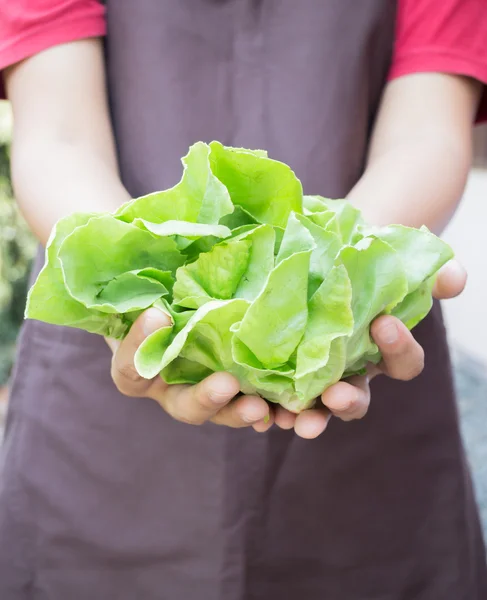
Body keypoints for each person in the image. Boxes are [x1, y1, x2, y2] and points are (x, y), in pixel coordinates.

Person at [0, 0, 486, 598]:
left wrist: (338, 286)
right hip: (108, 382)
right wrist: (134, 288)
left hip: (361, 368)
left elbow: (428, 129)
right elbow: (59, 133)